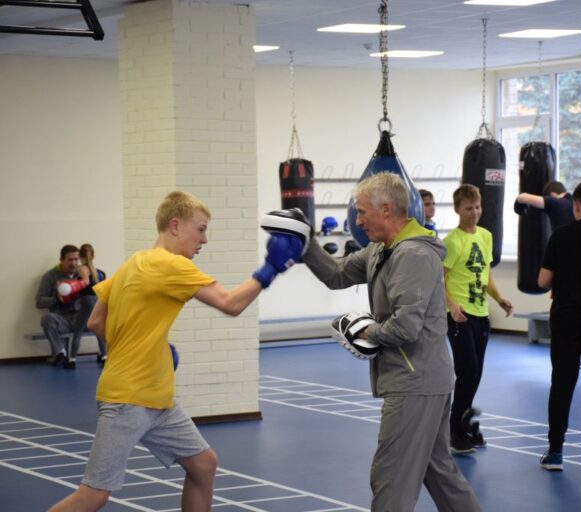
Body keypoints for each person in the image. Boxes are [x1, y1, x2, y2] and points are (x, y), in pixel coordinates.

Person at [48, 190, 306, 512]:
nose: (205, 239)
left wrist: (147, 346)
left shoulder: (133, 263)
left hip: (158, 399)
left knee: (203, 465)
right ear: (175, 225)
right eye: (200, 229)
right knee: (94, 494)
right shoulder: (171, 265)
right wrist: (271, 268)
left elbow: (98, 321)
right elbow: (230, 303)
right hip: (127, 399)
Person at [301, 173, 481, 512]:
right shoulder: (379, 251)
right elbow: (337, 274)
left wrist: (367, 333)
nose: (358, 220)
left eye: (362, 212)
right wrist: (305, 242)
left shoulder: (413, 255)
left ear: (386, 210)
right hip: (419, 378)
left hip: (417, 381)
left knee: (391, 476)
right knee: (439, 472)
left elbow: (407, 326)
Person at [443, 184, 513, 454]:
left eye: (478, 207)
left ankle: (465, 421)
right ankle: (455, 429)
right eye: (469, 208)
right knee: (467, 370)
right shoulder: (452, 242)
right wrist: (452, 307)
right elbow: (440, 281)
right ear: (458, 209)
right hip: (460, 316)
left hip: (481, 314)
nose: (475, 212)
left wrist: (499, 298)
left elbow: (485, 276)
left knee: (476, 373)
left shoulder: (485, 236)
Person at [536, 181, 581, 471]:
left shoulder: (561, 235)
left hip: (566, 318)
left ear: (575, 206)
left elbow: (543, 281)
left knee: (563, 384)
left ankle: (555, 451)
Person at [35, 245, 91, 369]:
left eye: (76, 259)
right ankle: (60, 352)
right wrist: (57, 299)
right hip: (62, 319)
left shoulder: (84, 273)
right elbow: (39, 302)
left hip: (82, 319)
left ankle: (106, 355)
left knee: (107, 314)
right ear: (61, 259)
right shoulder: (50, 276)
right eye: (70, 260)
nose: (74, 263)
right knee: (46, 319)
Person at [76, 243, 108, 364]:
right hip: (98, 300)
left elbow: (84, 283)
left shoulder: (81, 270)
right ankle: (104, 355)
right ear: (93, 256)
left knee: (78, 330)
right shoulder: (101, 273)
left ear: (80, 256)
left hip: (85, 301)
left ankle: (71, 358)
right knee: (98, 327)